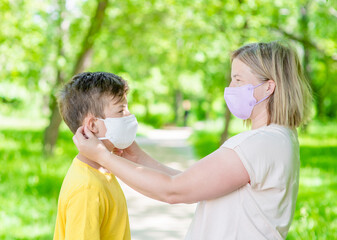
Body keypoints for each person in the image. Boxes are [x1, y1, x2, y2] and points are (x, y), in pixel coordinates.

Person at [72, 41, 312, 239]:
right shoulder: (278, 139)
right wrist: (136, 156)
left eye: (238, 80)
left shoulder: (260, 143)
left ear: (268, 87)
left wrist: (101, 155)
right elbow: (188, 183)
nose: (230, 87)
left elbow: (174, 191)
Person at [53, 72, 137, 240]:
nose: (128, 115)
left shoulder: (102, 171)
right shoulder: (87, 188)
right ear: (92, 125)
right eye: (121, 110)